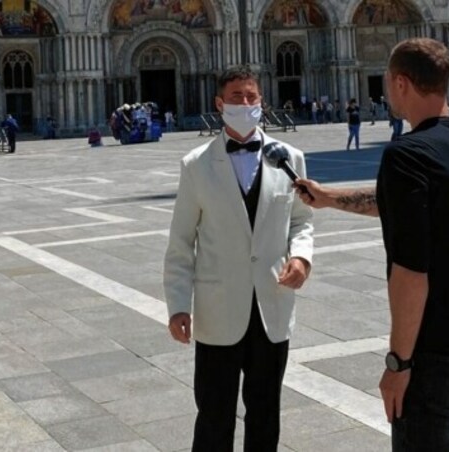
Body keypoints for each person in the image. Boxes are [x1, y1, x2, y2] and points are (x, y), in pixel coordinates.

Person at [295, 38, 449, 452]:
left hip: (438, 358)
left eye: (390, 83)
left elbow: (411, 273)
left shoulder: (405, 155)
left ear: (402, 84)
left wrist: (399, 362)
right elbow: (402, 205)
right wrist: (329, 198)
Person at [164, 64, 313, 452]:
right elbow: (181, 242)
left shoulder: (290, 158)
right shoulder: (196, 164)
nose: (245, 104)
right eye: (236, 98)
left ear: (261, 102)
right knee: (214, 414)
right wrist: (178, 306)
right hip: (218, 312)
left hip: (271, 308)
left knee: (266, 413)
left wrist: (301, 258)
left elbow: (301, 221)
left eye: (251, 97)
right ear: (219, 104)